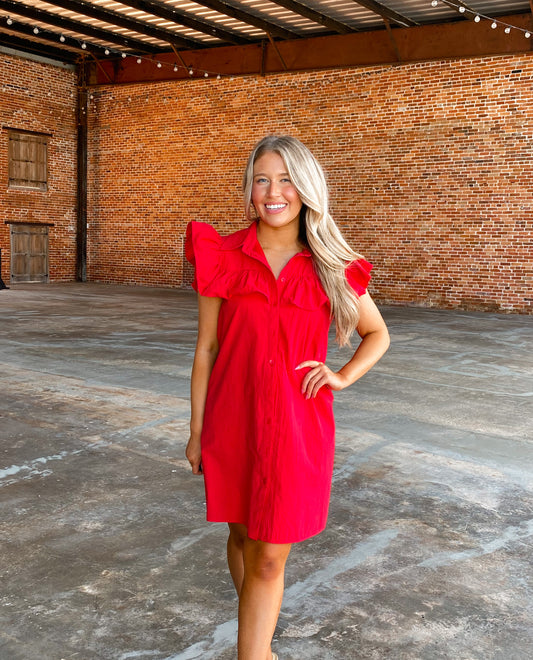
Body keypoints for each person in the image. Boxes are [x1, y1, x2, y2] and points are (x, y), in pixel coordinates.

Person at [185, 135, 390, 660]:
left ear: (306, 188)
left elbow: (377, 334)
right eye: (262, 179)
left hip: (299, 426)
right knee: (241, 536)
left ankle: (253, 652)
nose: (273, 192)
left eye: (286, 179)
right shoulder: (222, 255)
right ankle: (260, 632)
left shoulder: (330, 264)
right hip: (232, 420)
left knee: (270, 556)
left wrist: (341, 377)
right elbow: (206, 348)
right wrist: (195, 431)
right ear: (249, 189)